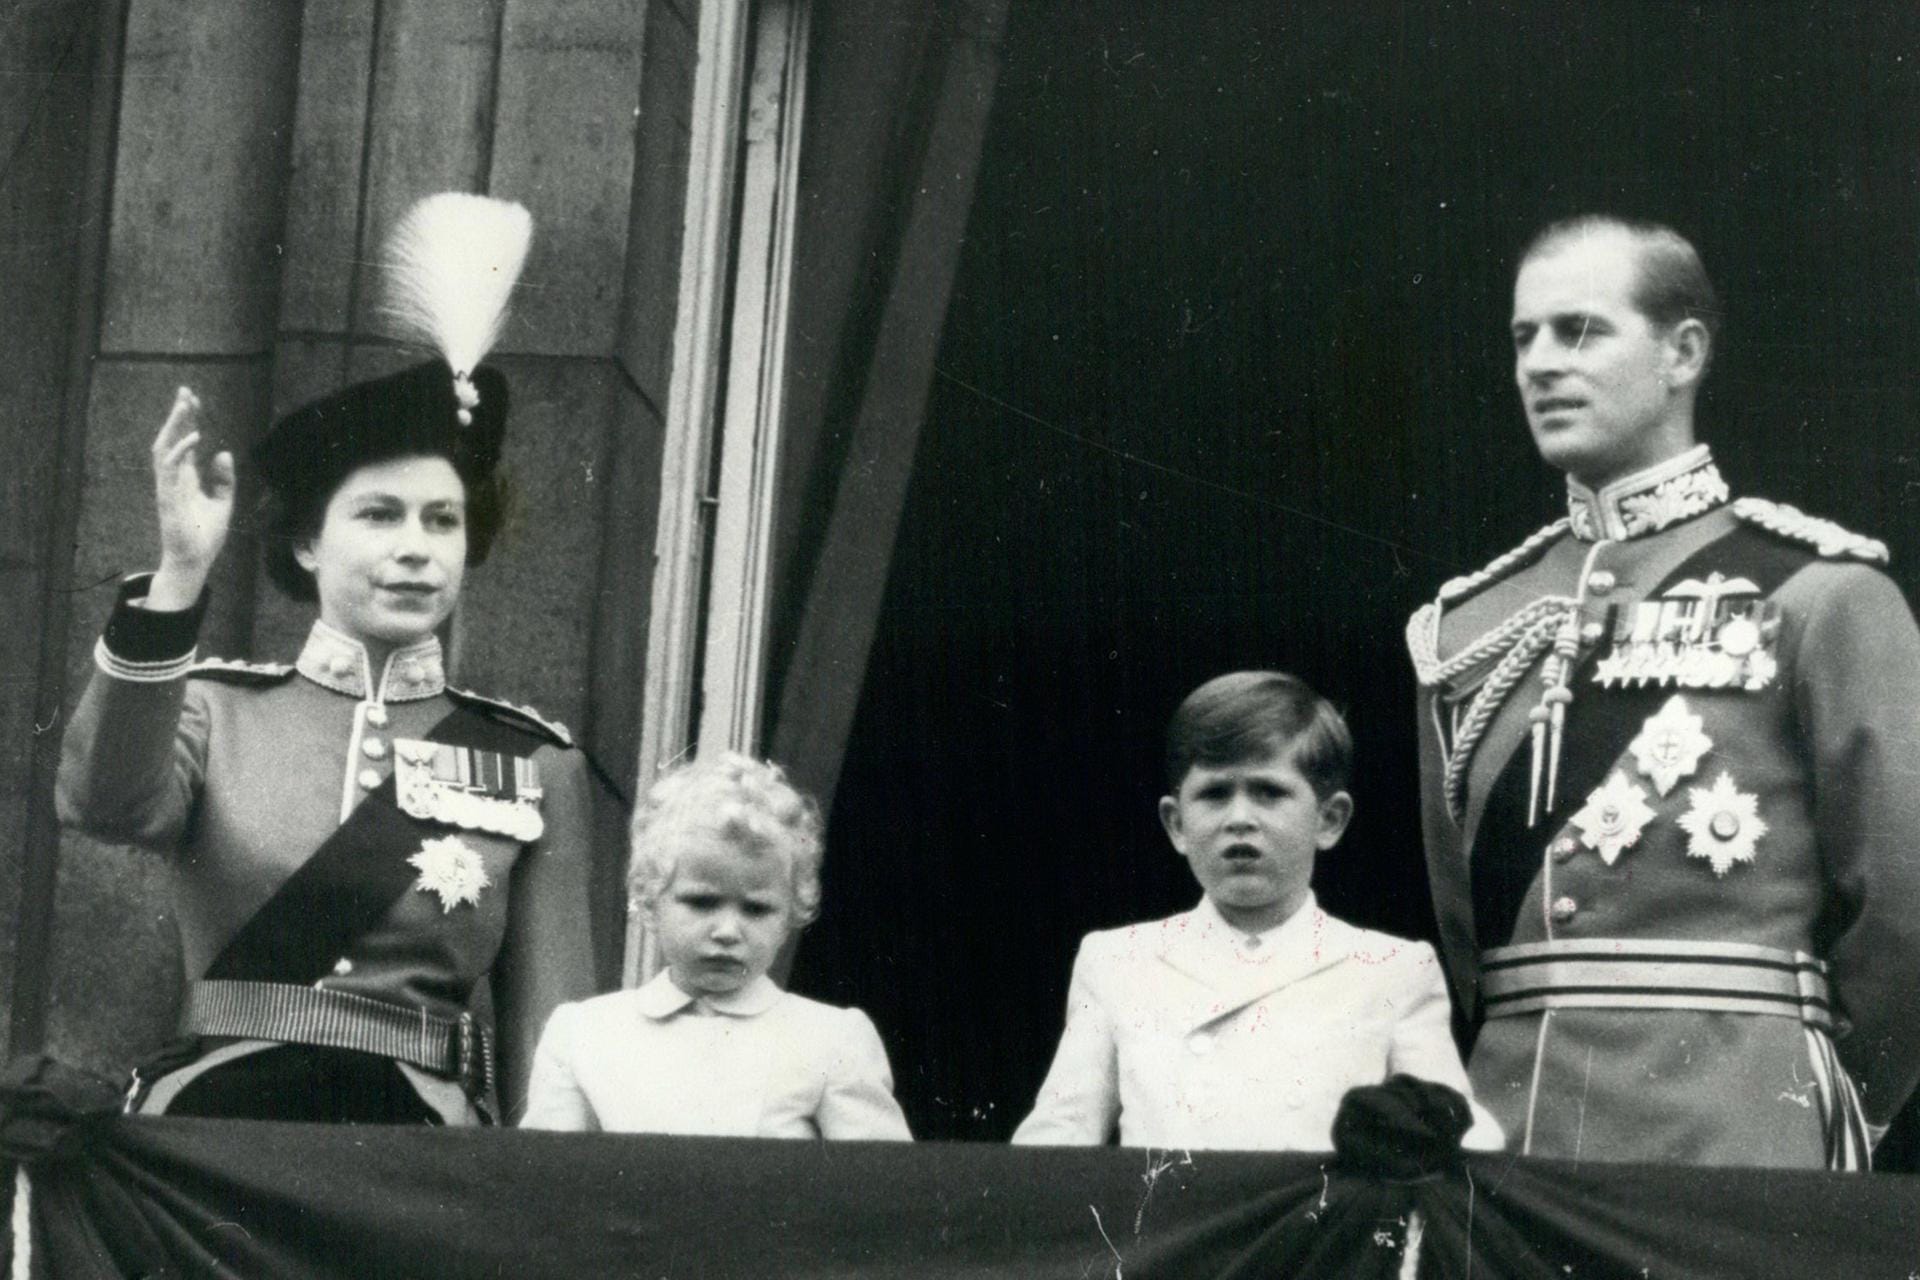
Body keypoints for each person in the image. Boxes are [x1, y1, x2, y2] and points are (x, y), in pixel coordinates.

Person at [56, 193, 596, 1125]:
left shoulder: (534, 761)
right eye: (378, 515)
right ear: (308, 544)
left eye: (443, 520)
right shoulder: (217, 713)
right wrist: (181, 574)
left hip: (416, 1156)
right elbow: (100, 802)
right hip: (219, 1130)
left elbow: (556, 1040)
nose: (417, 547)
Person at [1407, 214, 1920, 1168]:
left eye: (1582, 330)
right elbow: (1464, 941)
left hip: (1738, 1130)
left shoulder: (1821, 594)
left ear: (1683, 352)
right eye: (1525, 338)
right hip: (1511, 1138)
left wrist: (1836, 1106)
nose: (1542, 364)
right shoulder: (1466, 630)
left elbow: (1905, 914)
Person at [1011, 671, 1502, 1151]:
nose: (1240, 819)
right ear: (1176, 824)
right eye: (1215, 794)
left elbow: (1454, 1129)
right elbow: (1060, 1138)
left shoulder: (1392, 970)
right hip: (1171, 1230)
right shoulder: (1117, 961)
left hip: (1319, 1230)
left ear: (1329, 820)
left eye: (1269, 792)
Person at [520, 753, 912, 1139]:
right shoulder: (585, 1033)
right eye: (701, 902)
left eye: (756, 909)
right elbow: (546, 1183)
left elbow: (877, 1190)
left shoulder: (832, 1041)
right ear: (650, 896)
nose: (727, 931)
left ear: (792, 912)